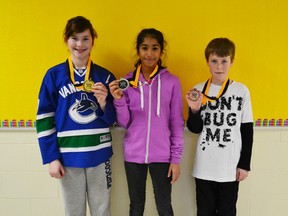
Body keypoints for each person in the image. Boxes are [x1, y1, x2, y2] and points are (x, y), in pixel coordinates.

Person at [36, 16, 116, 216]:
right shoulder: (53, 76)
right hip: (67, 157)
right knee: (73, 212)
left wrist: (104, 103)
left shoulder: (105, 77)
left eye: (85, 38)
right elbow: (44, 118)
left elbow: (115, 119)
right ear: (66, 40)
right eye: (74, 38)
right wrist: (51, 158)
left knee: (102, 210)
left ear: (93, 41)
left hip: (100, 154)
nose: (80, 44)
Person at [109, 28, 184, 216]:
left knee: (164, 206)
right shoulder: (127, 82)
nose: (149, 54)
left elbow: (176, 122)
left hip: (162, 155)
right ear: (138, 50)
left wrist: (175, 159)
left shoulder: (172, 82)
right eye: (144, 48)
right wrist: (118, 99)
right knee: (136, 206)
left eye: (154, 48)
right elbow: (124, 123)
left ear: (161, 51)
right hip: (134, 154)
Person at [185, 38, 253, 216]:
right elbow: (195, 128)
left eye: (224, 61)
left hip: (229, 167)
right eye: (214, 61)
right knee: (204, 211)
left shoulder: (241, 90)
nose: (219, 67)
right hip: (204, 165)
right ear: (207, 61)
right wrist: (194, 110)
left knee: (227, 211)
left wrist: (244, 164)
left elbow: (247, 130)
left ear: (232, 61)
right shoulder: (198, 90)